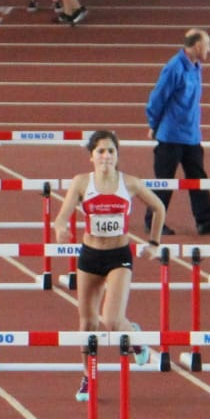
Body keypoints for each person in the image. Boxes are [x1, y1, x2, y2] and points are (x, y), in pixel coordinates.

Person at [52, 131, 167, 400]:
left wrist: (154, 242)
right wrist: (60, 229)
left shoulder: (130, 184)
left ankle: (135, 339)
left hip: (119, 256)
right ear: (91, 156)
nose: (106, 156)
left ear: (117, 156)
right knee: (87, 324)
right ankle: (87, 377)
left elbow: (159, 207)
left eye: (111, 151)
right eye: (100, 151)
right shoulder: (81, 183)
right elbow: (62, 216)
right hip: (90, 256)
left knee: (113, 321)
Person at [145, 28, 210, 235]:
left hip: (191, 135)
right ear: (197, 45)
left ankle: (205, 220)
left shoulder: (196, 66)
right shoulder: (174, 68)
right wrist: (153, 125)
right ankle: (153, 221)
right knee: (164, 180)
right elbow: (157, 98)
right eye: (207, 44)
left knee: (197, 177)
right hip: (171, 136)